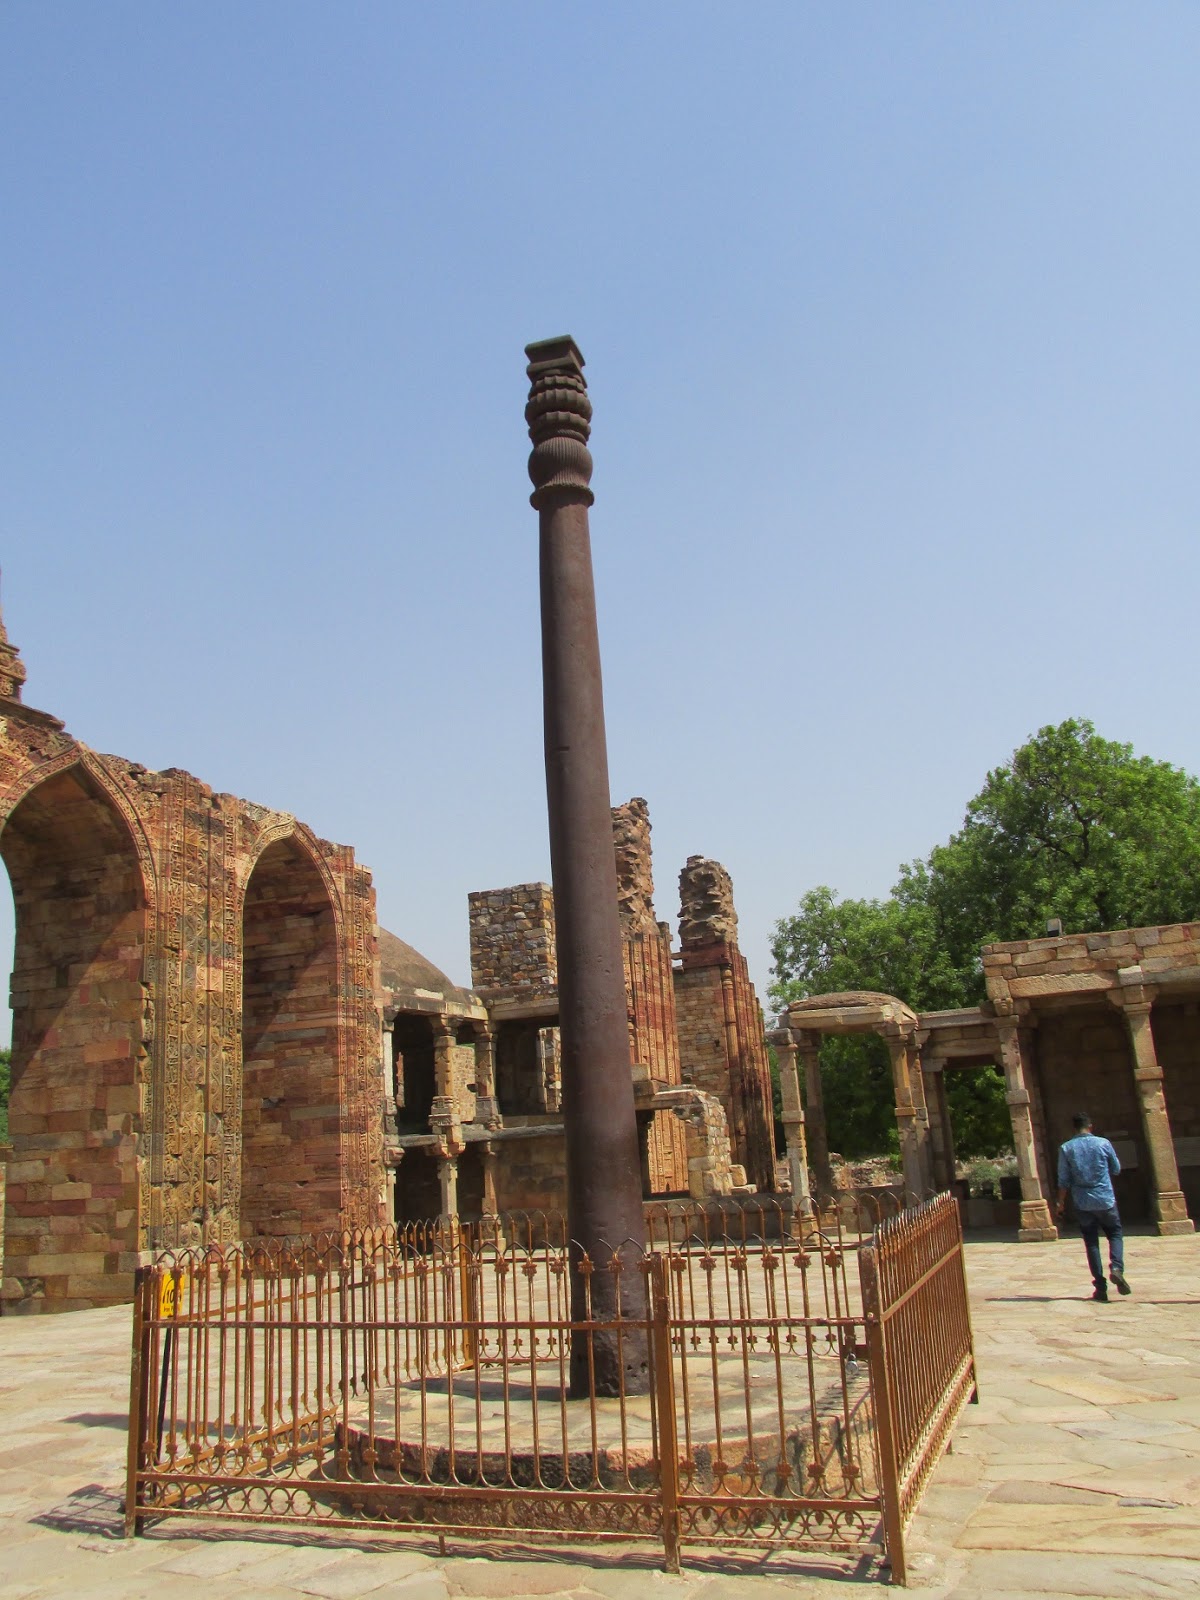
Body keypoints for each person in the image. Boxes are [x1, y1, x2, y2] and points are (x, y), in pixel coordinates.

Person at [1056, 1113, 1131, 1301]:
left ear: (1074, 1128)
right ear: (1090, 1125)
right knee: (1114, 1234)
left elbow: (1063, 1180)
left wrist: (1060, 1202)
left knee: (1091, 1242)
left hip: (1082, 1202)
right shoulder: (1103, 1144)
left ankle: (1100, 1287)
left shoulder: (1066, 1148)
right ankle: (1116, 1267)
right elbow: (1116, 1169)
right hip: (1105, 1198)